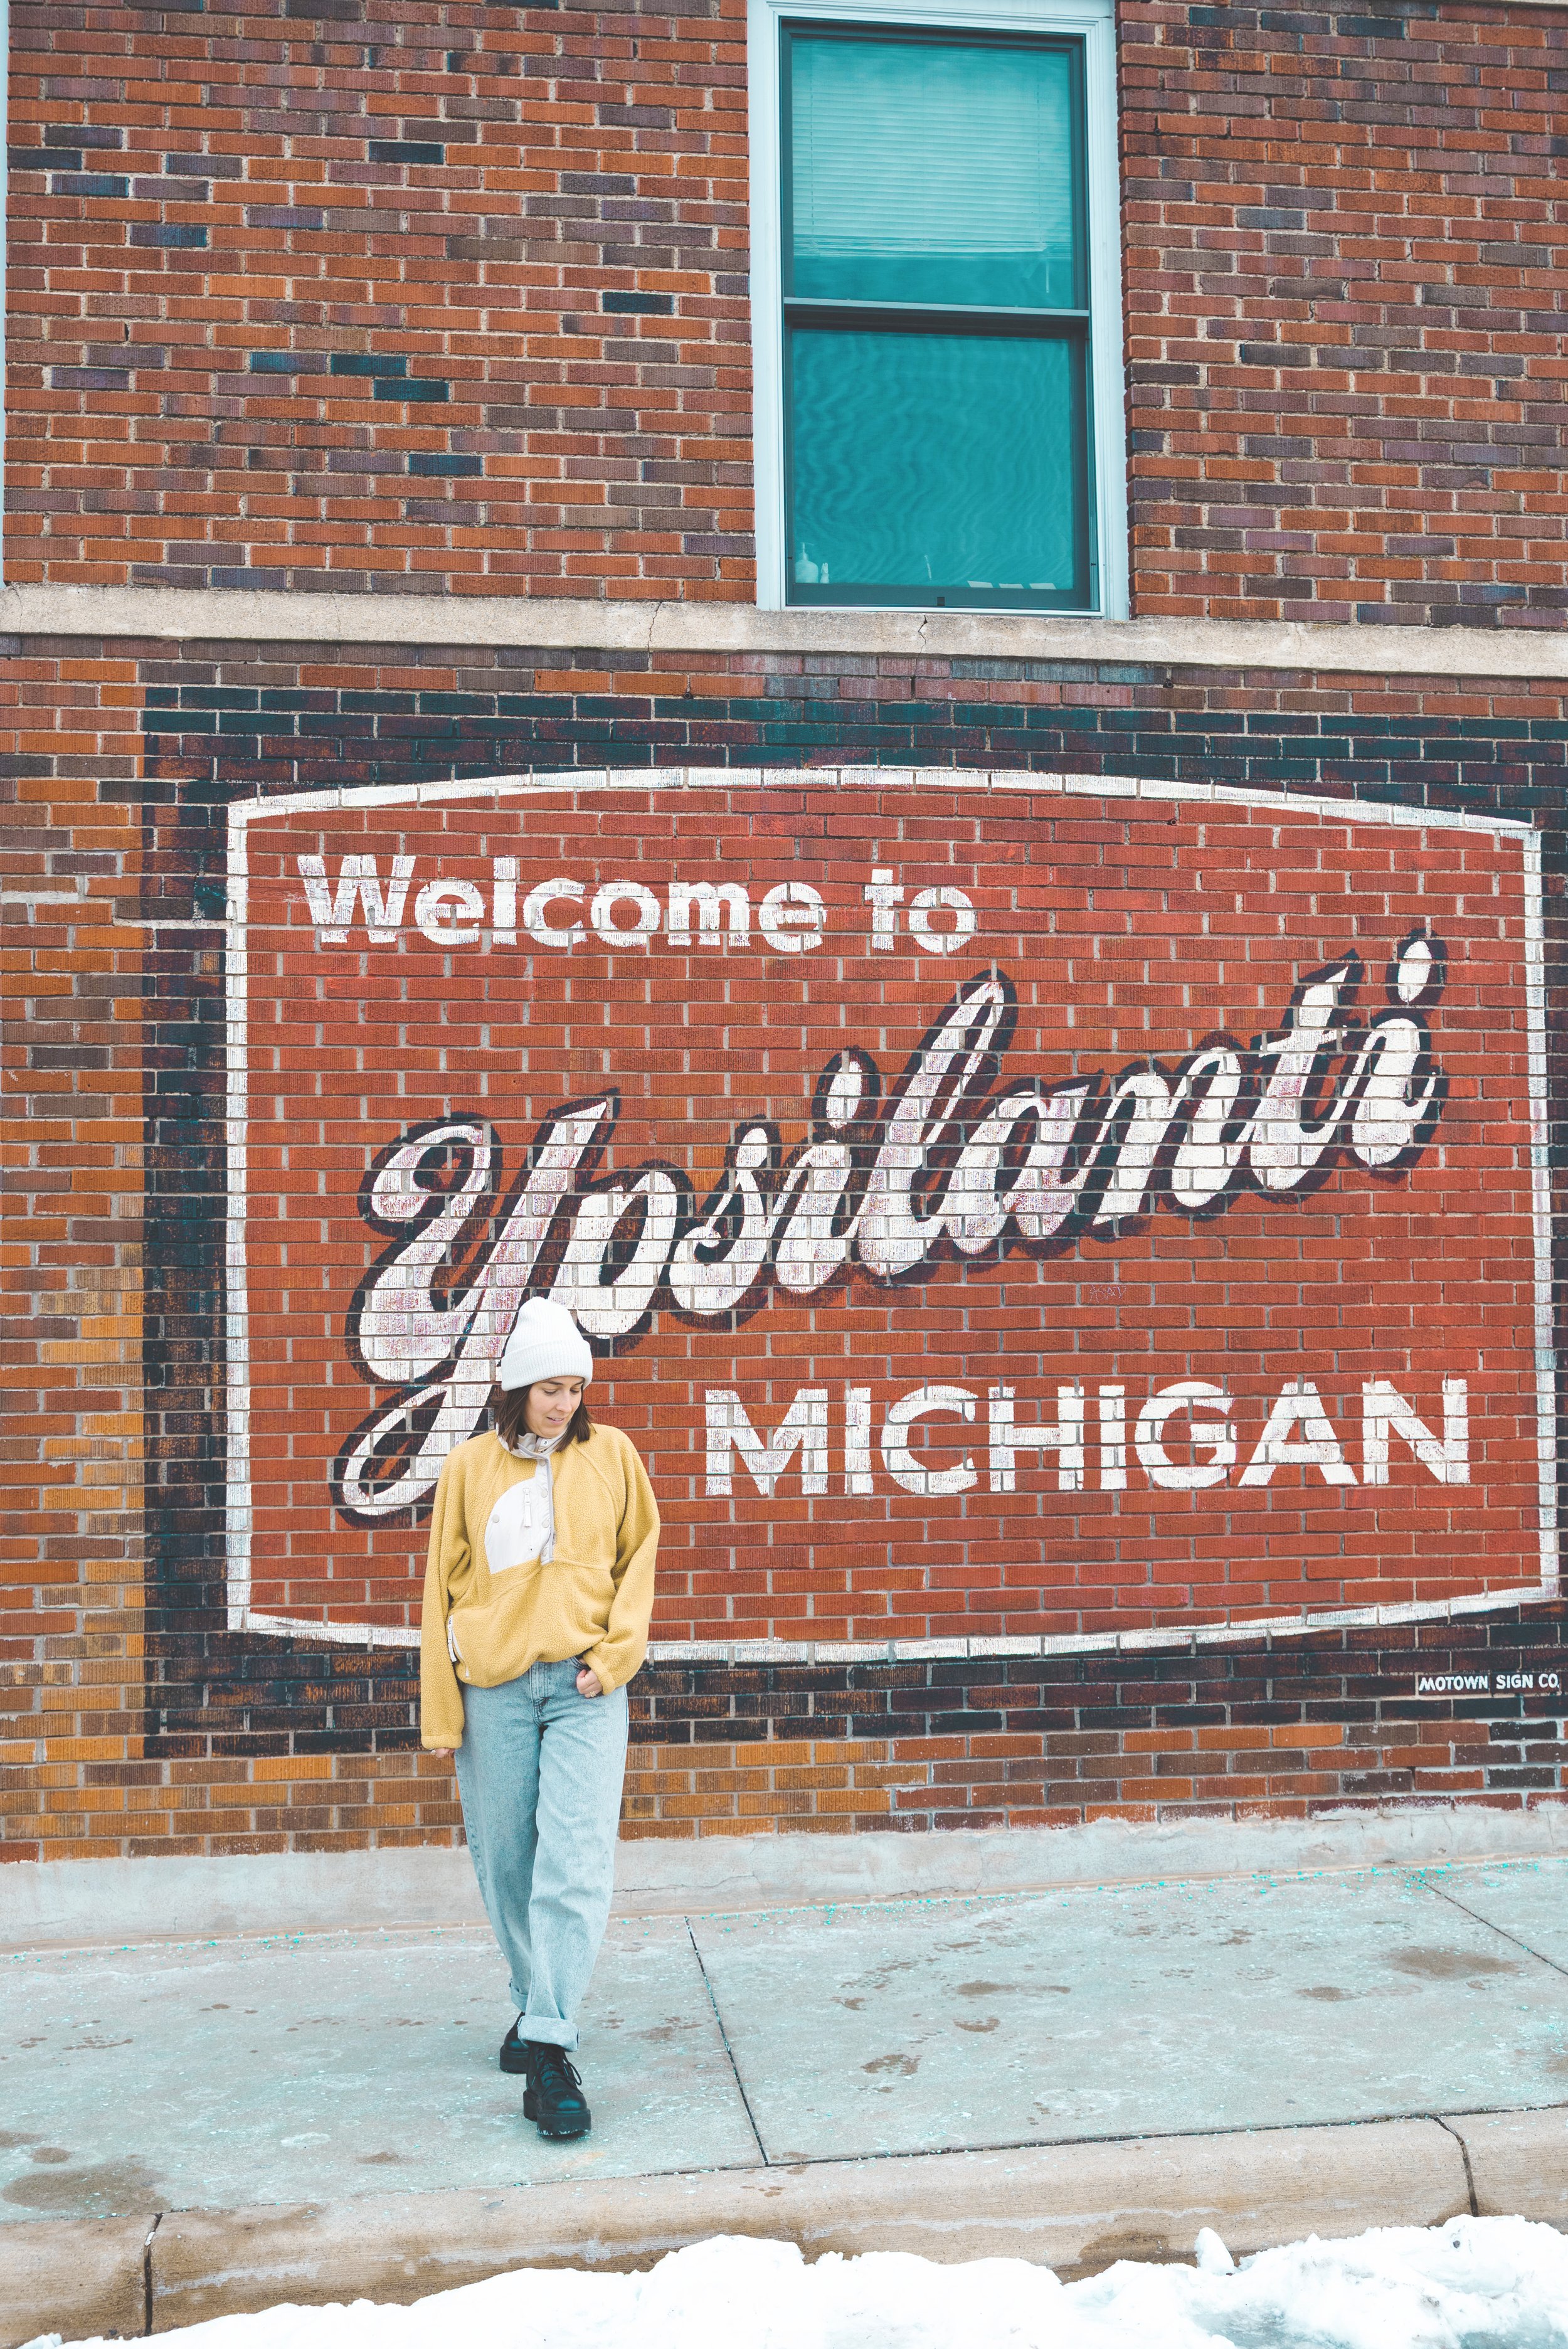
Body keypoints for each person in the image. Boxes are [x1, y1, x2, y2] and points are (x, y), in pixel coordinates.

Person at [420, 1298, 659, 2141]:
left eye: (573, 1388)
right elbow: (440, 1592)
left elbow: (640, 1561)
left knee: (577, 1856)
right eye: (548, 1388)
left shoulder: (614, 1457)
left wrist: (614, 1658)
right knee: (509, 1859)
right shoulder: (470, 1468)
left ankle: (551, 2046)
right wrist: (443, 1710)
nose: (563, 1403)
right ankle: (532, 2000)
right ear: (516, 1386)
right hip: (494, 1685)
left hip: (585, 1685)